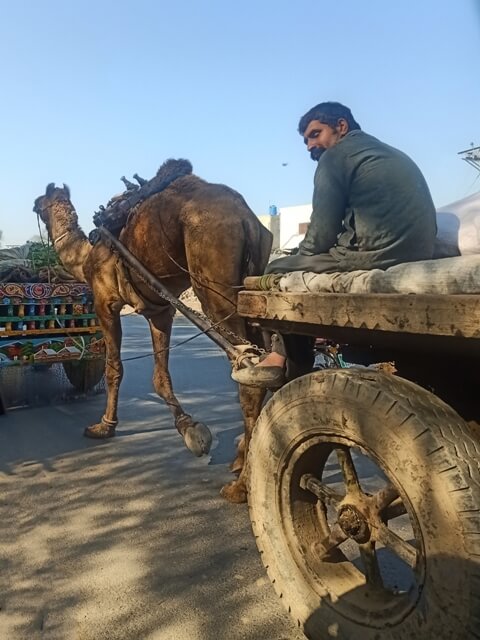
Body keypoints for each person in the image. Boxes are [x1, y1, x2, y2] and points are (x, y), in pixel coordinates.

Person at [232, 101, 437, 387]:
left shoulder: (336, 157)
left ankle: (289, 361)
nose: (309, 146)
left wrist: (298, 259)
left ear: (341, 127)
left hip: (372, 255)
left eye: (315, 134)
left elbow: (320, 236)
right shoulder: (386, 152)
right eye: (305, 140)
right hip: (419, 253)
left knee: (275, 270)